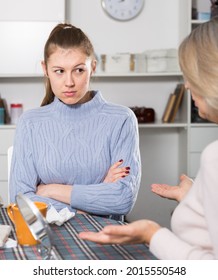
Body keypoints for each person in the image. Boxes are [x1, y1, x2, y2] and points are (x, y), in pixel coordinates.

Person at [79, 17, 218, 259]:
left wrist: (151, 233)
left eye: (191, 76)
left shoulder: (213, 157)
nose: (186, 86)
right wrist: (196, 197)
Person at [9, 23, 141, 221]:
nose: (69, 82)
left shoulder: (121, 119)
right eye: (59, 71)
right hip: (48, 235)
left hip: (106, 237)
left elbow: (123, 199)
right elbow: (21, 200)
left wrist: (50, 190)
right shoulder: (30, 123)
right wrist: (95, 200)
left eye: (78, 70)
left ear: (93, 67)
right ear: (45, 69)